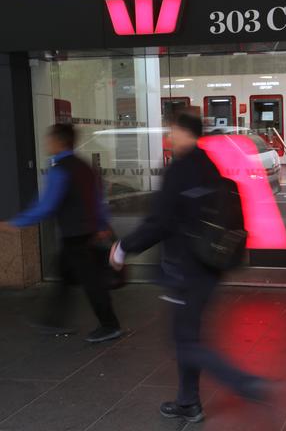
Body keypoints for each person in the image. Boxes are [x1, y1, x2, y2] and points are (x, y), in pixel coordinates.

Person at [109, 113, 270, 423]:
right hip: (209, 265)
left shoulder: (181, 169)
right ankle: (188, 402)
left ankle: (245, 383)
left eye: (172, 131)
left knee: (183, 341)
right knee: (188, 336)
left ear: (184, 132)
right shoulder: (207, 164)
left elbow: (160, 221)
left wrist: (124, 248)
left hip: (185, 268)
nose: (169, 137)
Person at [0, 123, 121, 343]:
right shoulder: (85, 167)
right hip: (86, 232)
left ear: (59, 141)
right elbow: (97, 200)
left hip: (76, 234)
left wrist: (17, 223)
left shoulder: (60, 169)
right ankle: (53, 320)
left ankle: (109, 325)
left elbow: (47, 205)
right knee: (65, 276)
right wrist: (102, 225)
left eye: (49, 139)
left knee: (90, 282)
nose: (47, 143)